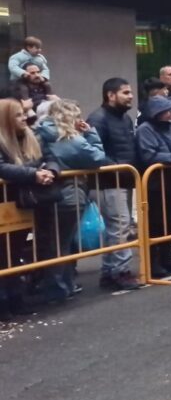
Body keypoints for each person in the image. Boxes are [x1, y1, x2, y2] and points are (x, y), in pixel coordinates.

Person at [35, 99, 111, 301]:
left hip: (45, 195)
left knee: (53, 242)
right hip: (69, 194)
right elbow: (97, 158)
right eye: (77, 115)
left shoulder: (40, 133)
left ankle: (58, 285)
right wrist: (91, 134)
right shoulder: (70, 140)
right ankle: (59, 288)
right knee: (62, 243)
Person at [0, 99, 58, 319]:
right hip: (6, 203)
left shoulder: (31, 136)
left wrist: (50, 171)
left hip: (23, 203)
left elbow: (50, 157)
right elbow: (2, 167)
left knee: (15, 252)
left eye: (23, 114)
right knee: (3, 255)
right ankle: (4, 302)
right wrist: (33, 174)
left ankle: (16, 298)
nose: (24, 118)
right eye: (18, 115)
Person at [87, 78, 142, 290]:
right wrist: (117, 167)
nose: (130, 96)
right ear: (111, 95)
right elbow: (94, 152)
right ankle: (120, 271)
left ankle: (110, 272)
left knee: (117, 227)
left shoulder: (125, 119)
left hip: (123, 180)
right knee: (119, 226)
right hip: (107, 182)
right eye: (126, 92)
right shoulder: (98, 119)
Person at [136, 96, 171, 277]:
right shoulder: (145, 130)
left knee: (168, 221)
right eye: (167, 110)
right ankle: (153, 262)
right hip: (154, 183)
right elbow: (149, 155)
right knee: (155, 223)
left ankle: (167, 258)